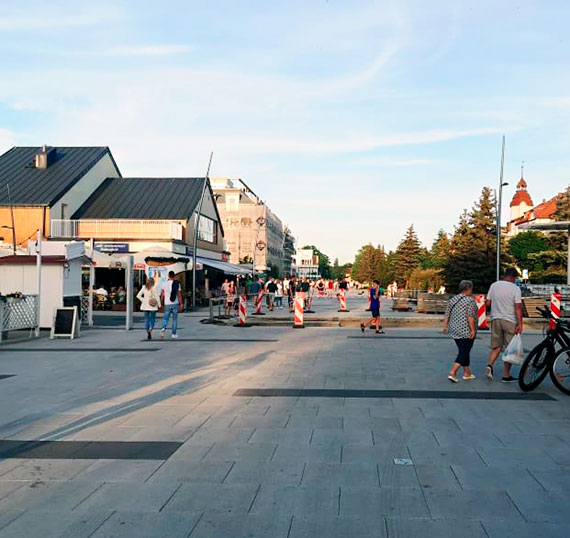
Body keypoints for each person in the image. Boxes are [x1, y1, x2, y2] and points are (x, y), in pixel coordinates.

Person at [485, 267, 523, 382]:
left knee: (496, 346)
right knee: (509, 349)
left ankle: (490, 365)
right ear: (513, 277)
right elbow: (518, 307)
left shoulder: (494, 285)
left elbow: (487, 303)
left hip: (495, 319)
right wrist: (520, 323)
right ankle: (506, 375)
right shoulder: (515, 288)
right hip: (509, 320)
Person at [443, 280, 478, 382]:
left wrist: (445, 326)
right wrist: (472, 330)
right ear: (468, 288)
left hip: (454, 329)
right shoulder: (470, 301)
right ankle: (453, 372)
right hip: (465, 330)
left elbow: (447, 314)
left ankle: (467, 373)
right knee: (464, 351)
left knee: (463, 350)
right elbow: (470, 317)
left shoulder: (453, 299)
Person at [160, 271, 183, 339]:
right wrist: (181, 303)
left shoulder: (164, 283)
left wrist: (161, 303)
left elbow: (162, 294)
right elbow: (179, 294)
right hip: (175, 303)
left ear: (168, 276)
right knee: (175, 319)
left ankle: (163, 328)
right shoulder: (177, 284)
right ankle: (173, 334)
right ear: (174, 276)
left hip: (167, 303)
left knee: (165, 318)